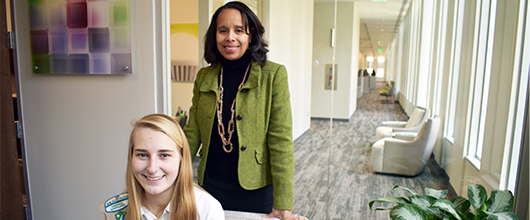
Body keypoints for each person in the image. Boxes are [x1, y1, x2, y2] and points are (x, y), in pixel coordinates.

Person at [184, 2, 306, 220]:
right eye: (223, 30)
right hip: (210, 186)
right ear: (215, 36)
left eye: (239, 30)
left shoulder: (273, 75)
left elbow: (281, 142)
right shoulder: (204, 76)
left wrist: (284, 203)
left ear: (251, 36)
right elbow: (191, 134)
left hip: (255, 189)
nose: (230, 37)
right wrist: (171, 180)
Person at [99, 114, 225, 220]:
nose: (152, 168)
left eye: (164, 155)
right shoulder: (115, 212)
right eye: (143, 155)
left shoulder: (207, 210)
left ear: (181, 159)